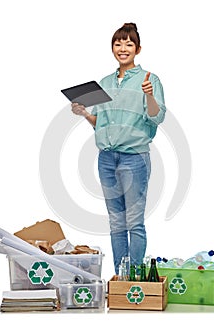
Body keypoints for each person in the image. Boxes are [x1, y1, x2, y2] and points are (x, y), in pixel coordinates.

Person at [71, 23, 166, 274]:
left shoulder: (149, 80)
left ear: (138, 49)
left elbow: (156, 118)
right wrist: (83, 113)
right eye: (118, 43)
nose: (122, 48)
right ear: (112, 48)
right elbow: (100, 124)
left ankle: (134, 277)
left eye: (128, 44)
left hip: (134, 159)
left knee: (134, 223)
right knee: (116, 223)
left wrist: (149, 96)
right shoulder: (104, 83)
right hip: (106, 159)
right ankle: (120, 277)